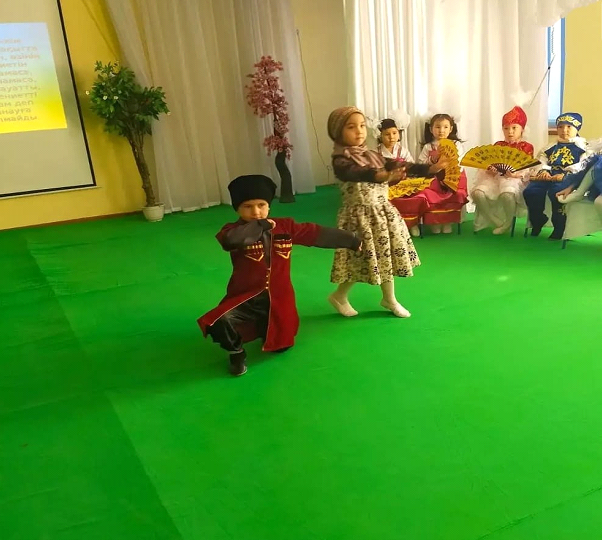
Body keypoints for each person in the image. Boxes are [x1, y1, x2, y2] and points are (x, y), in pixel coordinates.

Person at [198, 174, 362, 376]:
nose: (256, 212)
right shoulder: (231, 230)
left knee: (281, 347)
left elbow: (314, 233)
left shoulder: (285, 226)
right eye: (247, 206)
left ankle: (268, 331)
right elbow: (231, 241)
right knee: (217, 321)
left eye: (261, 205)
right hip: (246, 298)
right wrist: (261, 226)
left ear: (269, 206)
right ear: (237, 209)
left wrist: (351, 239)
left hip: (278, 301)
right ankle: (236, 353)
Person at [326, 106, 421, 319]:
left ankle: (389, 298)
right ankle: (339, 296)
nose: (359, 131)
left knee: (385, 253)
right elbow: (360, 174)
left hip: (382, 214)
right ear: (338, 132)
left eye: (362, 125)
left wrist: (428, 170)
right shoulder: (341, 160)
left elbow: (398, 168)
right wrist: (383, 176)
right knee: (359, 259)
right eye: (351, 127)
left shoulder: (372, 155)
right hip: (359, 218)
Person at [523, 112, 589, 239]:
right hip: (548, 175)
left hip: (569, 177)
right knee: (531, 191)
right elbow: (541, 160)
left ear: (577, 128)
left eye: (569, 127)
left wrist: (565, 174)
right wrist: (543, 171)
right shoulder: (551, 146)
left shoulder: (582, 147)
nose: (564, 130)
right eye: (560, 127)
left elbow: (583, 165)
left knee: (557, 193)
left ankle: (559, 227)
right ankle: (537, 220)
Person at [471, 106, 535, 234]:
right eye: (506, 128)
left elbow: (527, 168)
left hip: (515, 180)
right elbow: (489, 163)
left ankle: (507, 223)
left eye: (514, 128)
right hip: (495, 178)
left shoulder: (527, 147)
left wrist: (515, 174)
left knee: (507, 194)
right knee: (478, 193)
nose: (510, 132)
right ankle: (494, 220)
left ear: (522, 129)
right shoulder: (498, 145)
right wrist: (490, 169)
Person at [417, 113, 469, 233]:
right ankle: (434, 222)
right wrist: (433, 160)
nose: (441, 130)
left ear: (451, 129)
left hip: (453, 178)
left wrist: (449, 170)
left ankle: (448, 221)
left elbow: (460, 162)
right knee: (428, 193)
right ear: (431, 129)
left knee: (454, 193)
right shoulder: (428, 147)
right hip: (433, 178)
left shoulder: (456, 145)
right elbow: (421, 163)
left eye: (445, 127)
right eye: (437, 127)